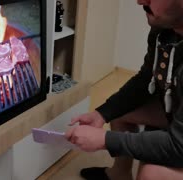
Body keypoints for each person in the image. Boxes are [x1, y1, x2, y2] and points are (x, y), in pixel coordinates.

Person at [65, 0, 183, 180]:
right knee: (120, 111)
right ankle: (118, 174)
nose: (140, 1)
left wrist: (105, 140)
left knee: (152, 174)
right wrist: (102, 114)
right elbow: (145, 78)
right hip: (177, 110)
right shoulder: (163, 29)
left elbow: (178, 147)